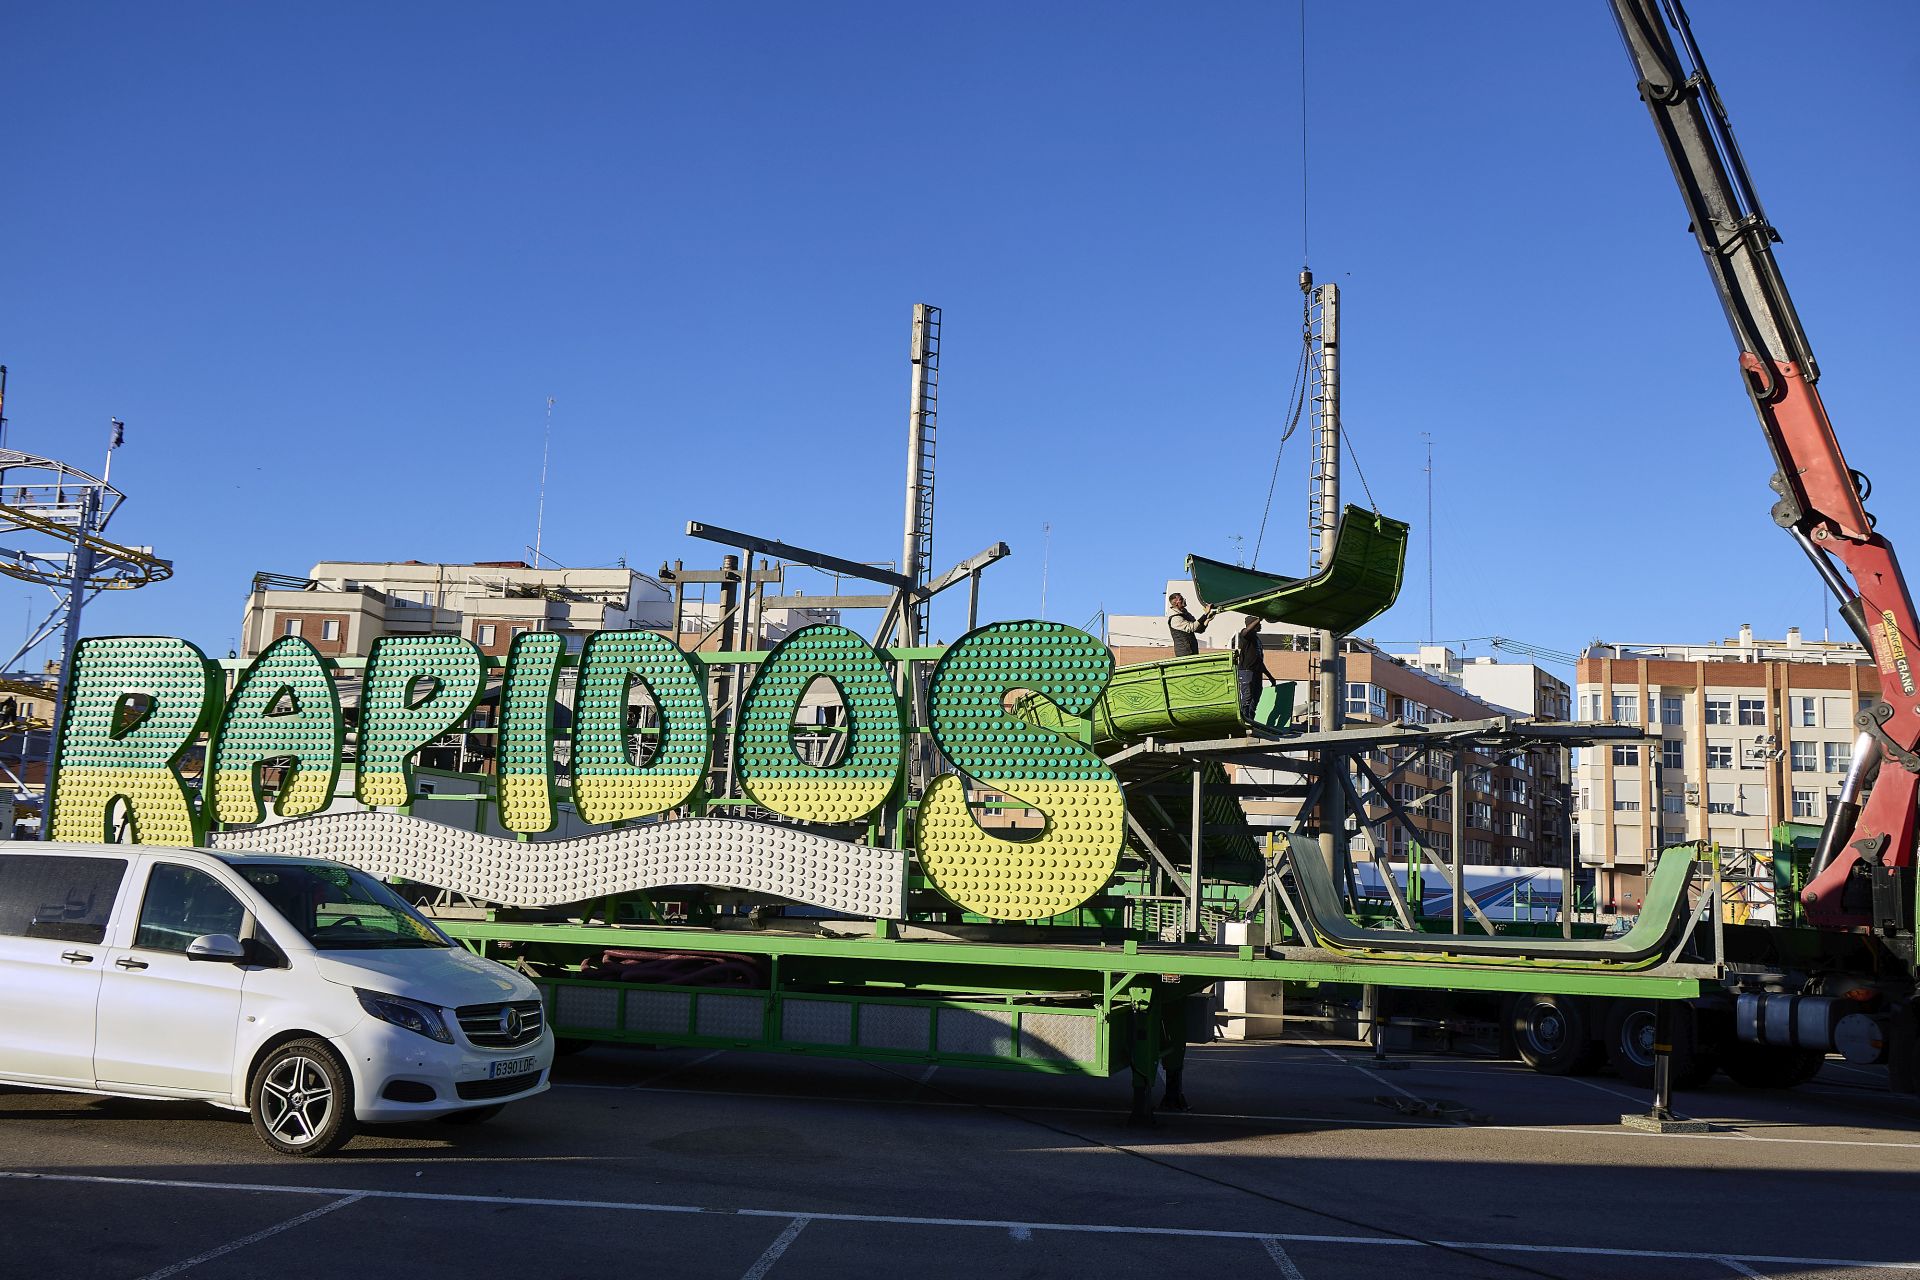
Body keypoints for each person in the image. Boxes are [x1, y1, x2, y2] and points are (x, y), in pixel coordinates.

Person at [1231, 613, 1275, 723]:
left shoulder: (1257, 639)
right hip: (1246, 671)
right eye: (1259, 623)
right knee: (1247, 698)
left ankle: (1250, 721)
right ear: (1253, 624)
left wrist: (1270, 676)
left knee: (1255, 699)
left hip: (1256, 672)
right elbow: (1245, 632)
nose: (1261, 625)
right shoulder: (1246, 635)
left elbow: (1259, 660)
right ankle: (1243, 721)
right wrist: (1258, 619)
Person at [1166, 592, 1212, 657]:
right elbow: (1192, 627)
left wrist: (1207, 619)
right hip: (1184, 653)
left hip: (1192, 651)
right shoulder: (1175, 618)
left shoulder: (1186, 614)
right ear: (1176, 603)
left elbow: (1199, 629)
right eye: (1181, 599)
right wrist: (1205, 614)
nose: (1184, 600)